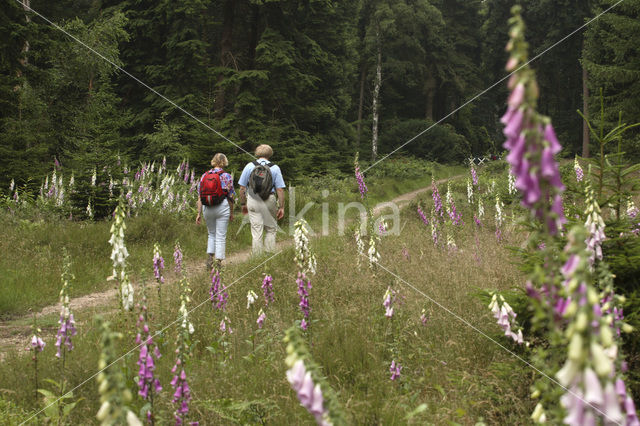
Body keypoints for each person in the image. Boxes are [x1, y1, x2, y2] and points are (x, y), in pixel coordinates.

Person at [237, 144, 285, 255]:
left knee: (256, 230)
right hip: (269, 199)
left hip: (253, 199)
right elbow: (280, 190)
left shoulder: (249, 166)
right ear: (270, 154)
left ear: (257, 153)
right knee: (271, 228)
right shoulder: (275, 168)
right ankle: (269, 255)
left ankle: (257, 258)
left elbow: (242, 188)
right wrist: (281, 207)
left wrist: (243, 204)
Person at [196, 153, 235, 270]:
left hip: (207, 207)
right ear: (224, 162)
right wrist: (231, 212)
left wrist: (198, 213)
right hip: (222, 206)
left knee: (211, 234)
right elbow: (231, 196)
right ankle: (218, 262)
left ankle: (209, 259)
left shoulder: (204, 175)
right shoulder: (227, 176)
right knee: (221, 235)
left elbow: (199, 196)